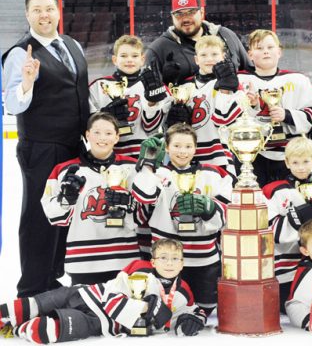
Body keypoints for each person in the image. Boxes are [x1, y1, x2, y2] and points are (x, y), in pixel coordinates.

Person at [1, 0, 90, 297]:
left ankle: (53, 279)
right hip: (40, 146)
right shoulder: (19, 53)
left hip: (72, 144)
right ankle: (32, 288)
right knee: (39, 217)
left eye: (49, 8)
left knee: (64, 213)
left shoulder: (73, 45)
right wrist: (26, 82)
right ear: (27, 15)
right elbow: (13, 104)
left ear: (58, 10)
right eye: (37, 10)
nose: (44, 15)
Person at [0, 239, 207, 342]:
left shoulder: (183, 292)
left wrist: (193, 321)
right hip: (92, 295)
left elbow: (193, 311)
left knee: (53, 328)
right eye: (163, 258)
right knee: (47, 300)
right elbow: (112, 296)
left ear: (182, 264)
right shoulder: (139, 269)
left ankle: (18, 329)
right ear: (153, 261)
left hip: (105, 323)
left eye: (175, 259)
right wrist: (144, 307)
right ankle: (5, 315)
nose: (169, 263)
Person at [132, 123, 232, 315]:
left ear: (196, 148)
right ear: (167, 148)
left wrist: (209, 208)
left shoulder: (214, 173)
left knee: (205, 309)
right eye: (176, 146)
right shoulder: (159, 173)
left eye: (188, 146)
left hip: (203, 259)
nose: (182, 151)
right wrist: (147, 163)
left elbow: (227, 216)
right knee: (167, 309)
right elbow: (143, 196)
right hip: (167, 260)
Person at [41, 113, 139, 285]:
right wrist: (66, 199)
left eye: (108, 133)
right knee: (84, 312)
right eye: (97, 132)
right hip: (83, 262)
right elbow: (54, 218)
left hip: (124, 259)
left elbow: (146, 213)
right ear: (87, 135)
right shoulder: (65, 170)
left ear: (117, 137)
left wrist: (130, 204)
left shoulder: (132, 167)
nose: (102, 138)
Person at [222, 29, 312, 187]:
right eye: (259, 48)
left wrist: (287, 115)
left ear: (279, 52)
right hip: (252, 156)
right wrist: (251, 106)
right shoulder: (239, 80)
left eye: (270, 47)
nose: (265, 52)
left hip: (291, 156)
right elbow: (227, 118)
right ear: (250, 54)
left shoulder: (298, 80)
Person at [262, 137, 312, 313]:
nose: (301, 167)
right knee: (285, 308)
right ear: (287, 163)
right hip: (285, 268)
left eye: (306, 161)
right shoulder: (274, 190)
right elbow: (270, 229)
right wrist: (298, 215)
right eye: (295, 162)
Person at [163, 35, 239, 177]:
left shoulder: (232, 84)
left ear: (223, 57)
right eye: (204, 55)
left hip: (219, 154)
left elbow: (225, 119)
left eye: (214, 54)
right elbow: (168, 124)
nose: (209, 59)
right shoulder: (184, 86)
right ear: (196, 60)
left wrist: (226, 91)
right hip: (187, 153)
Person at [145, 0, 251, 86]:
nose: (185, 18)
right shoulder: (158, 48)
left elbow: (250, 73)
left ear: (202, 12)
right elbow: (147, 91)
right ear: (172, 17)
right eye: (179, 14)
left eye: (191, 12)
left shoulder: (226, 35)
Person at [89, 35, 168, 159]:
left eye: (135, 56)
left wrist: (152, 103)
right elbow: (88, 124)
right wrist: (105, 115)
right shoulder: (98, 86)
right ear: (114, 60)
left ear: (142, 59)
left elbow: (152, 128)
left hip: (143, 153)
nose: (129, 60)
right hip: (108, 153)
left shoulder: (155, 86)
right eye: (124, 56)